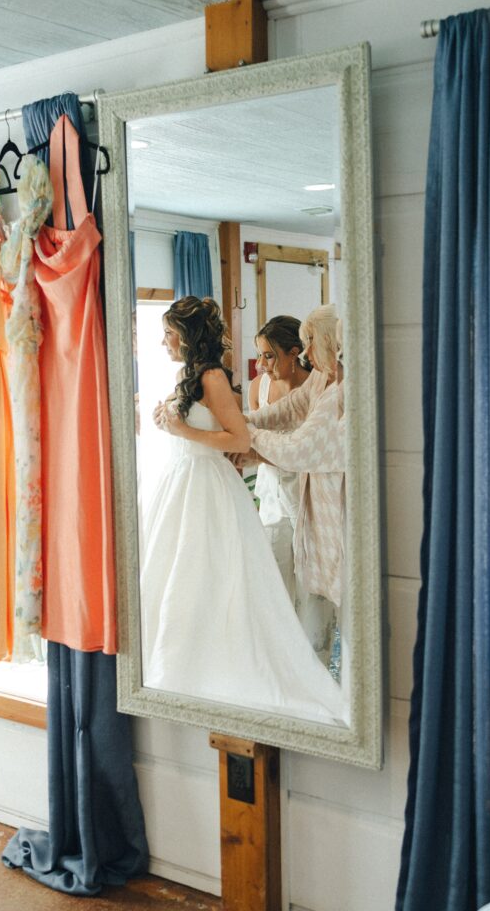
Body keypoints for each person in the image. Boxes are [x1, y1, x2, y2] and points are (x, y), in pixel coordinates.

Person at [140, 295, 345, 724]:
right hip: (181, 482)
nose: (163, 342)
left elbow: (236, 440)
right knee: (177, 578)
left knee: (215, 579)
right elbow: (271, 416)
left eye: (169, 334)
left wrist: (184, 429)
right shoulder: (189, 375)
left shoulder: (214, 376)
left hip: (208, 486)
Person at [246, 304, 346, 618]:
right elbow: (284, 411)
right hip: (297, 502)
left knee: (329, 603)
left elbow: (299, 449)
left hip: (332, 506)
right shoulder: (320, 379)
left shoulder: (341, 389)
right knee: (289, 588)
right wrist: (237, 427)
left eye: (311, 342)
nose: (307, 351)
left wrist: (249, 443)